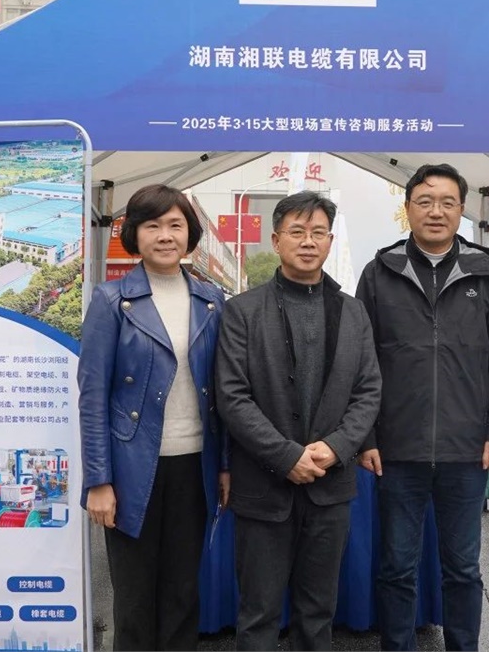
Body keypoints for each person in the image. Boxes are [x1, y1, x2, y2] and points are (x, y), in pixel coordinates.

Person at [356, 163, 489, 651]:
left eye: (448, 202)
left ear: (461, 210)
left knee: (463, 568)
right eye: (425, 201)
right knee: (397, 567)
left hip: (466, 449)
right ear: (408, 209)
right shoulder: (380, 273)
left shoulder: (484, 273)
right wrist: (366, 436)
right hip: (397, 450)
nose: (436, 211)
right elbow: (360, 363)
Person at [216, 191, 382, 651]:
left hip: (330, 486)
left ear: (329, 241)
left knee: (318, 611)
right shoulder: (242, 311)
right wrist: (286, 456)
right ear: (276, 240)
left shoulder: (353, 311)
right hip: (263, 486)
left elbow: (369, 390)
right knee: (258, 613)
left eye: (318, 233)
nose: (308, 242)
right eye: (297, 231)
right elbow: (232, 397)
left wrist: (337, 447)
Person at [78, 184, 229, 651]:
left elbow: (224, 393)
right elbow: (93, 397)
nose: (165, 235)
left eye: (175, 225)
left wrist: (224, 465)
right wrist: (99, 480)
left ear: (190, 234)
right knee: (135, 598)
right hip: (132, 468)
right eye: (153, 225)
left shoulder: (211, 301)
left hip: (195, 464)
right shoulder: (111, 300)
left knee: (183, 593)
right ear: (135, 234)